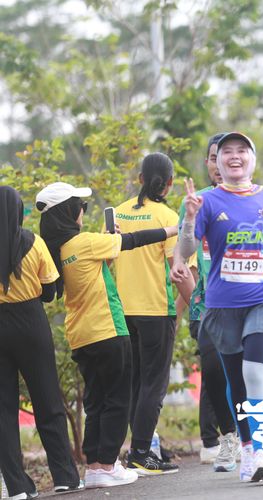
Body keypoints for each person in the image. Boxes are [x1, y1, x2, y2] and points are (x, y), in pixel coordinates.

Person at [172, 131, 263, 483]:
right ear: (213, 162)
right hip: (218, 303)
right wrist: (189, 221)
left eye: (242, 150)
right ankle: (241, 442)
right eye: (225, 152)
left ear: (252, 159)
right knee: (230, 379)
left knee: (255, 372)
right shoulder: (200, 201)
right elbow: (184, 248)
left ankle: (259, 450)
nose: (233, 157)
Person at [37, 181, 178, 487]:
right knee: (117, 400)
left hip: (80, 335)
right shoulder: (86, 242)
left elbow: (99, 263)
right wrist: (171, 230)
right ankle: (108, 465)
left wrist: (110, 243)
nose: (83, 212)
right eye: (80, 207)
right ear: (69, 212)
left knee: (96, 403)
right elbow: (133, 240)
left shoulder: (57, 250)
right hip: (108, 329)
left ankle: (95, 467)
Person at [0, 186, 82, 499]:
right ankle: (65, 477)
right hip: (30, 323)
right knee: (47, 400)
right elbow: (49, 292)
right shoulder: (33, 242)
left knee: (3, 409)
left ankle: (17, 487)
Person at [110, 153, 181, 475]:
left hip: (122, 311)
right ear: (169, 184)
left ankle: (143, 449)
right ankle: (140, 453)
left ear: (140, 179)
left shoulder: (117, 213)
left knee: (136, 384)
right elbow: (177, 269)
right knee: (153, 385)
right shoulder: (168, 217)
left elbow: (107, 257)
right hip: (156, 309)